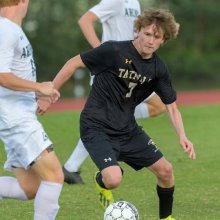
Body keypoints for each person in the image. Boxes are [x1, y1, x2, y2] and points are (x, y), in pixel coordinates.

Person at [48, 8, 196, 220]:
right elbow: (74, 63)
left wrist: (182, 135)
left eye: (157, 37)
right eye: (147, 34)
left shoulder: (158, 68)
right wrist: (51, 91)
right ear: (137, 30)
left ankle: (167, 218)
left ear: (163, 40)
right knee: (113, 179)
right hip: (96, 126)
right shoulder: (113, 51)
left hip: (127, 129)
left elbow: (171, 106)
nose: (150, 41)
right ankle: (101, 182)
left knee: (166, 171)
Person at [62, 0, 167, 185]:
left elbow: (139, 32)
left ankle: (71, 167)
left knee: (158, 106)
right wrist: (101, 54)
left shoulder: (134, 2)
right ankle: (71, 168)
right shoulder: (115, 0)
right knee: (105, 119)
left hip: (131, 72)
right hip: (113, 73)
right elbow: (85, 20)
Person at [0, 1, 64, 219]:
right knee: (54, 176)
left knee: (30, 187)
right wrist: (38, 87)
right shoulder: (6, 29)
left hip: (16, 115)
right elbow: (1, 76)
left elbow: (11, 74)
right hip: (15, 119)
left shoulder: (11, 29)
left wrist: (37, 92)